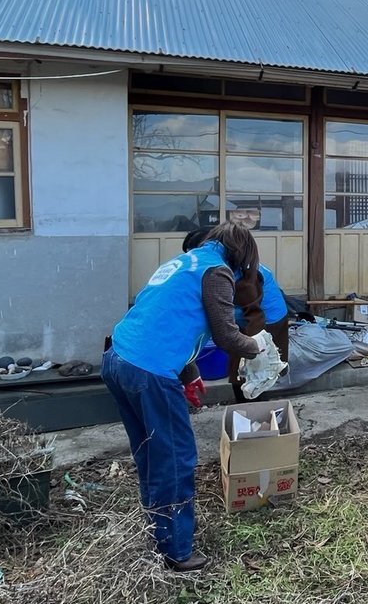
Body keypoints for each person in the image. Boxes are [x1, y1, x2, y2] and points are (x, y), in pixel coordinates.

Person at [101, 221, 263, 572]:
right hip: (149, 370)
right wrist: (259, 346)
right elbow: (226, 336)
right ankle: (176, 549)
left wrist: (189, 373)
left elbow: (170, 318)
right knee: (175, 458)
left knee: (150, 450)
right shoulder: (217, 272)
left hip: (119, 357)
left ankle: (157, 527)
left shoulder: (184, 262)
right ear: (242, 255)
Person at [183, 229, 291, 398]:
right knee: (240, 371)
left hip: (266, 322)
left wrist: (254, 352)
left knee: (255, 374)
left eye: (195, 252)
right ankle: (248, 409)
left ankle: (255, 412)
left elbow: (254, 319)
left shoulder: (243, 273)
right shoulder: (222, 263)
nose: (193, 259)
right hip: (245, 321)